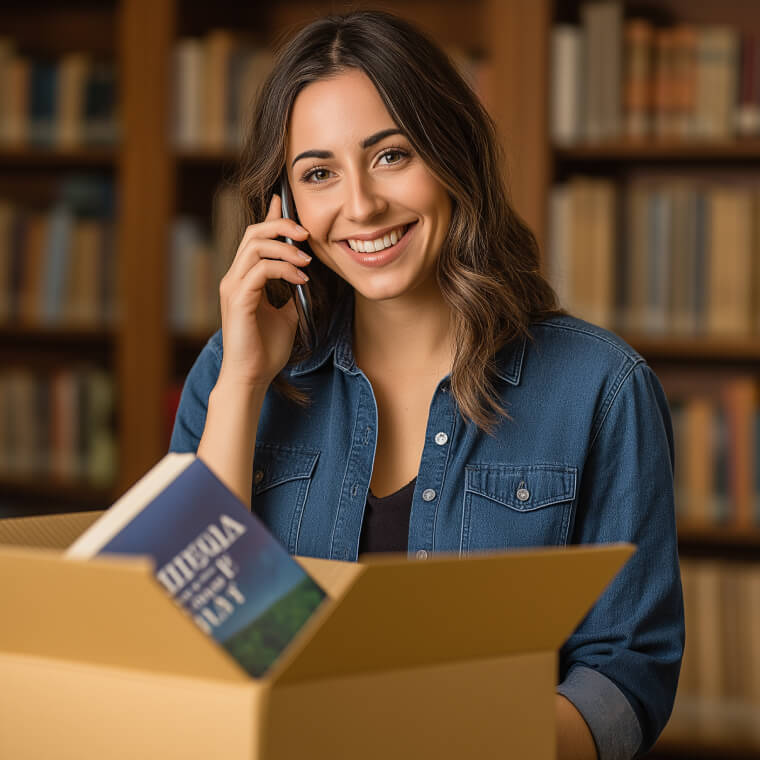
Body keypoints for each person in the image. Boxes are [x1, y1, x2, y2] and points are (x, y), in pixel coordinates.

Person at [169, 10, 684, 760]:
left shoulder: (602, 387)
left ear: (450, 153)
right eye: (318, 174)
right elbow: (187, 629)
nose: (361, 206)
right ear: (284, 208)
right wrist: (245, 380)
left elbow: (624, 677)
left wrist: (464, 734)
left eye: (391, 155)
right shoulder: (232, 374)